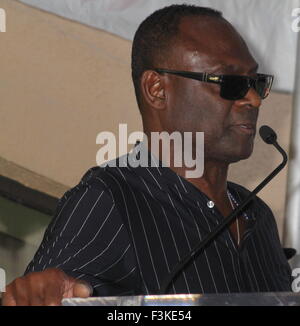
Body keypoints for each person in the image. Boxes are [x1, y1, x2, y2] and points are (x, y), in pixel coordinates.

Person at [2, 4, 292, 306]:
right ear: (157, 89)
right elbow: (49, 293)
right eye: (231, 83)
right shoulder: (112, 200)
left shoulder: (255, 214)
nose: (254, 99)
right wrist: (46, 291)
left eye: (256, 82)